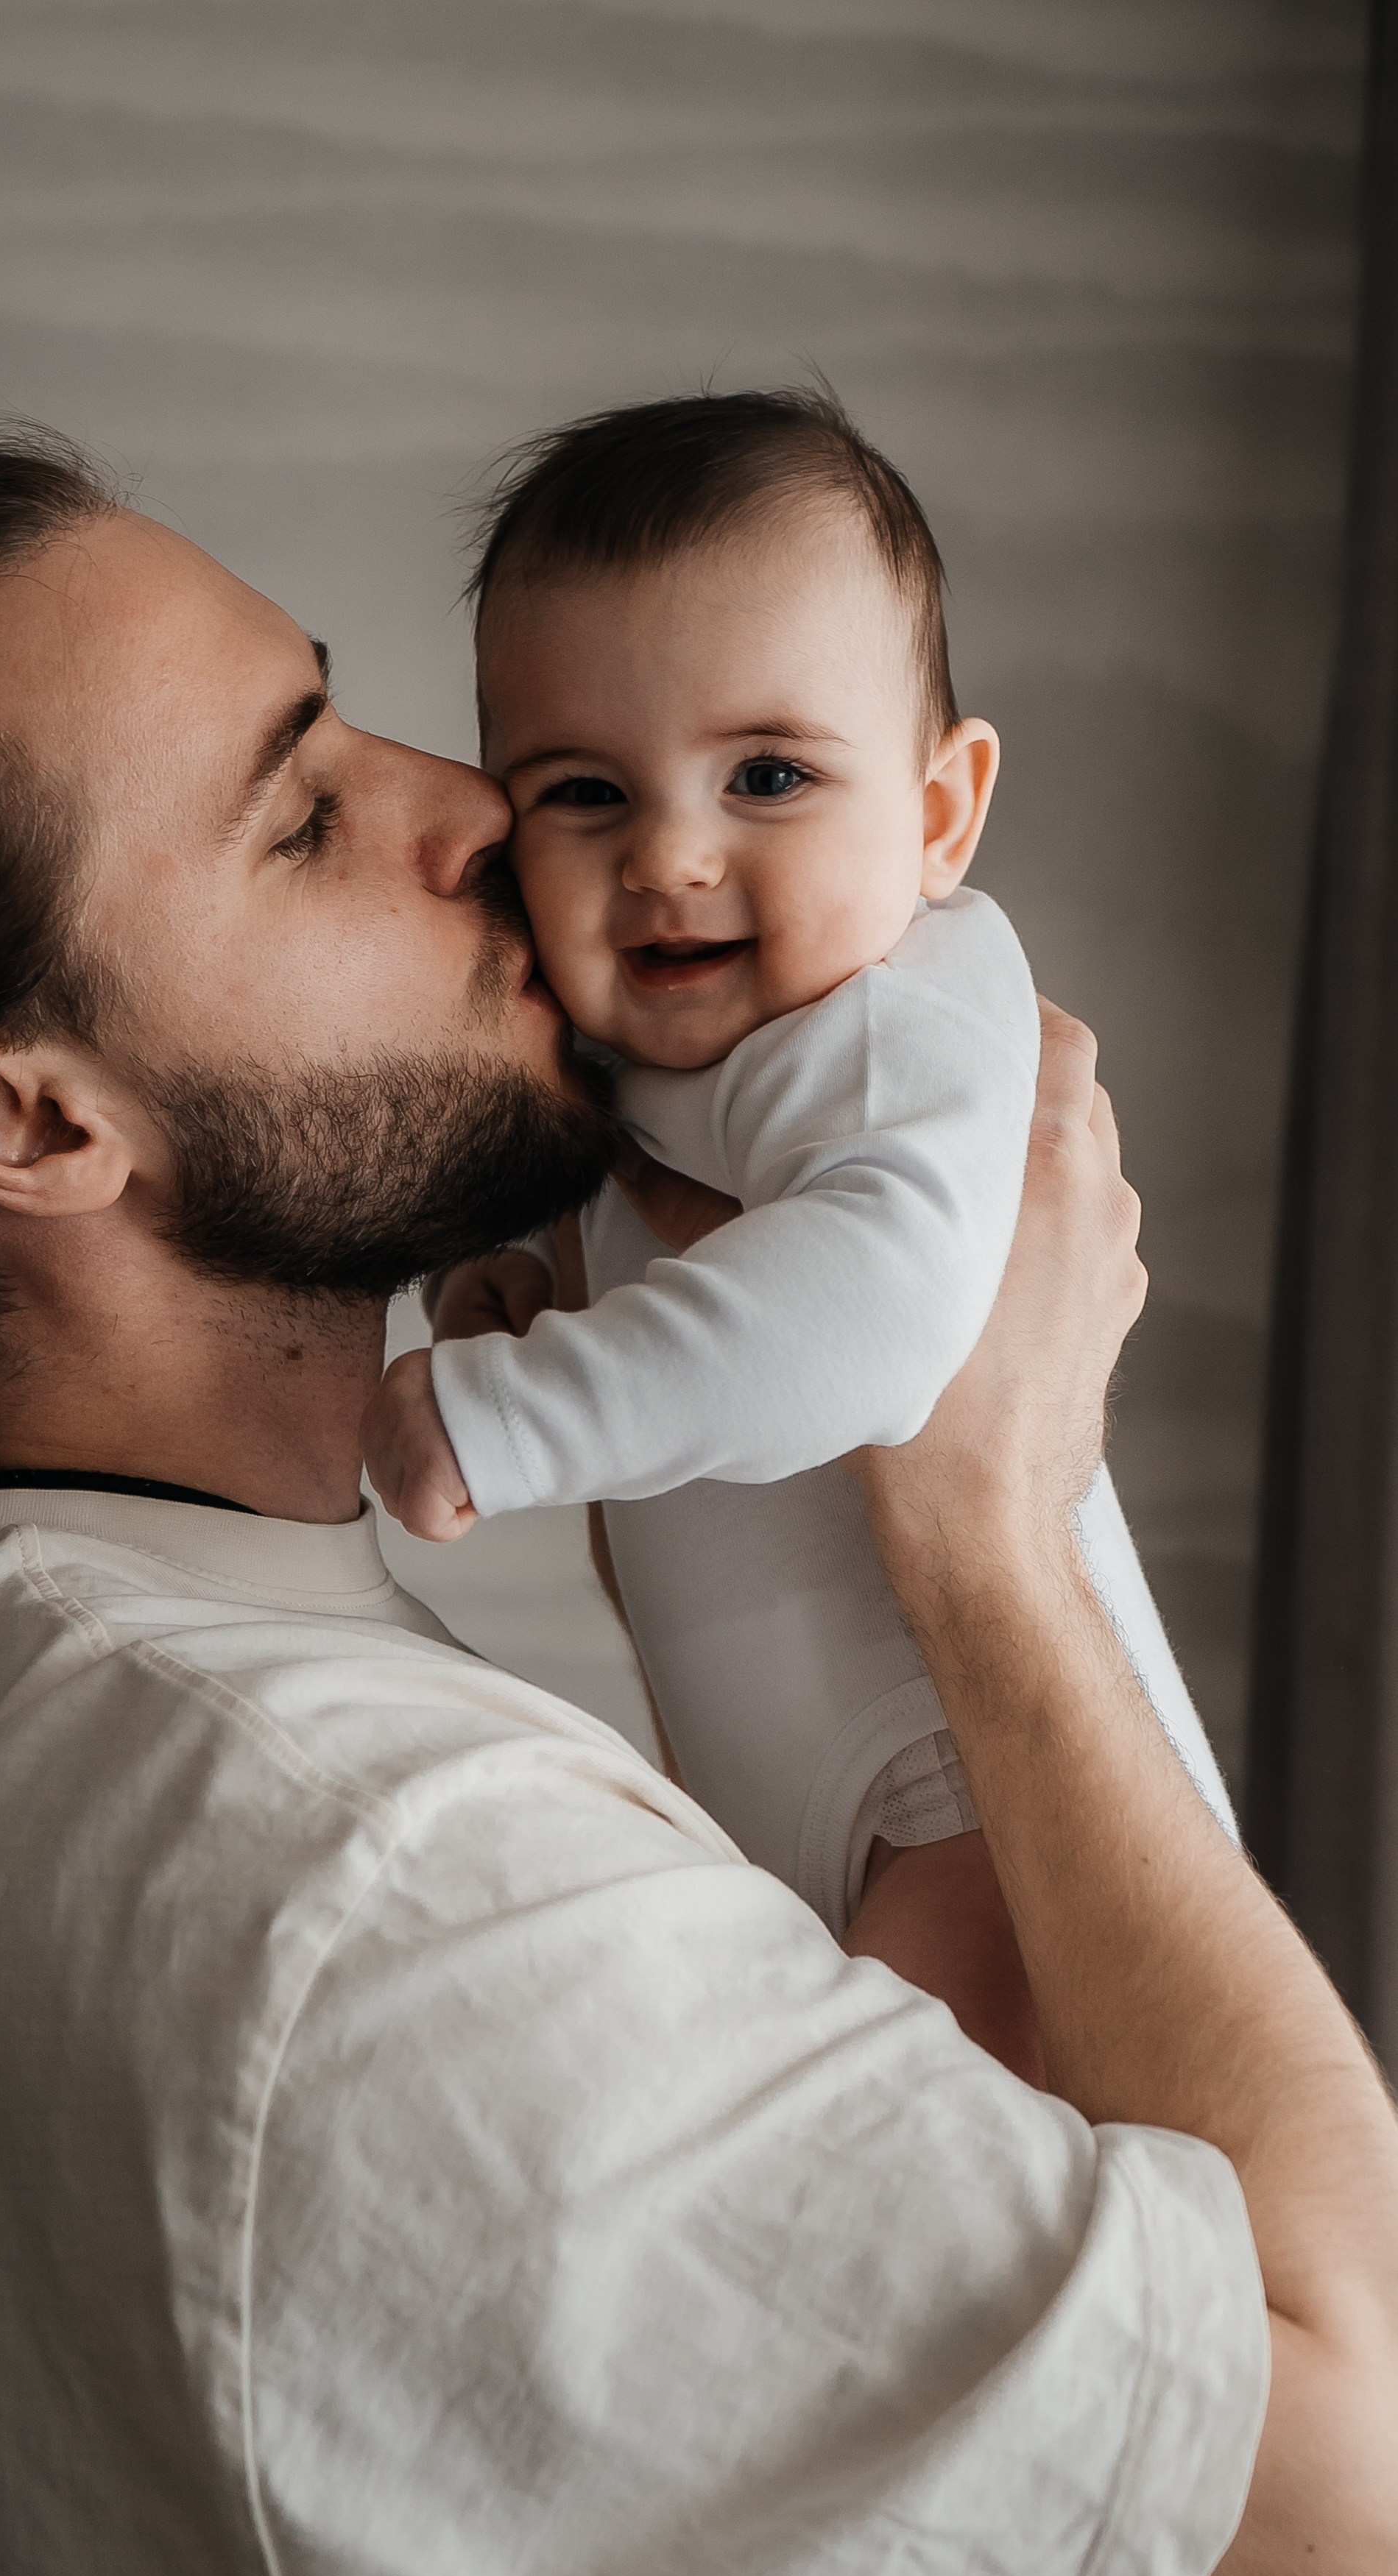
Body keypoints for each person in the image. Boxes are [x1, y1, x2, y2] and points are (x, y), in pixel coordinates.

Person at [0, 434, 1396, 2576]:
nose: (479, 811)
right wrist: (990, 1531)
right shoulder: (374, 1879)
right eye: (301, 813)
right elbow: (1354, 2482)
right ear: (28, 1117)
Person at [364, 389, 1233, 1939]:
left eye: (765, 776)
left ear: (937, 813)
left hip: (962, 1788)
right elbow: (633, 1209)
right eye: (582, 791)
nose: (670, 856)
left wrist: (509, 1414)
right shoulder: (675, 1036)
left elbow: (873, 1315)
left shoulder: (900, 1016)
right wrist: (498, 1268)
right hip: (811, 1780)